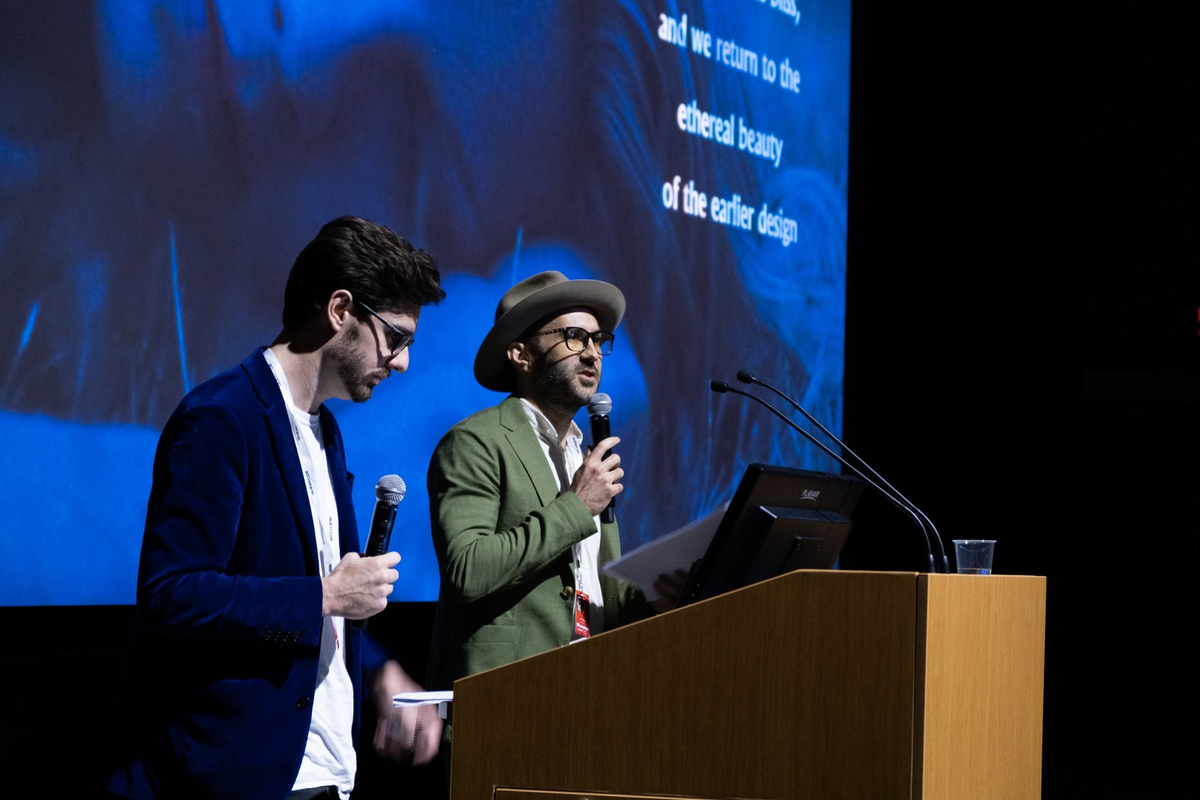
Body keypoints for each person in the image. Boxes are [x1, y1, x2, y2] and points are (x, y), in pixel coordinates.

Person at [105, 217, 445, 799]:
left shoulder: (326, 432)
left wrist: (379, 670)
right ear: (340, 309)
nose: (402, 362)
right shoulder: (222, 417)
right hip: (230, 777)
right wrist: (326, 596)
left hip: (322, 773)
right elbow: (172, 594)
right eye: (396, 337)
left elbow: (320, 600)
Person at [426, 271, 656, 714]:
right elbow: (466, 570)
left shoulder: (585, 457)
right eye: (573, 337)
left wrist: (662, 592)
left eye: (598, 339)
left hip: (593, 695)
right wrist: (576, 506)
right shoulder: (476, 441)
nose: (591, 352)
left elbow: (594, 586)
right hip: (507, 702)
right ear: (521, 355)